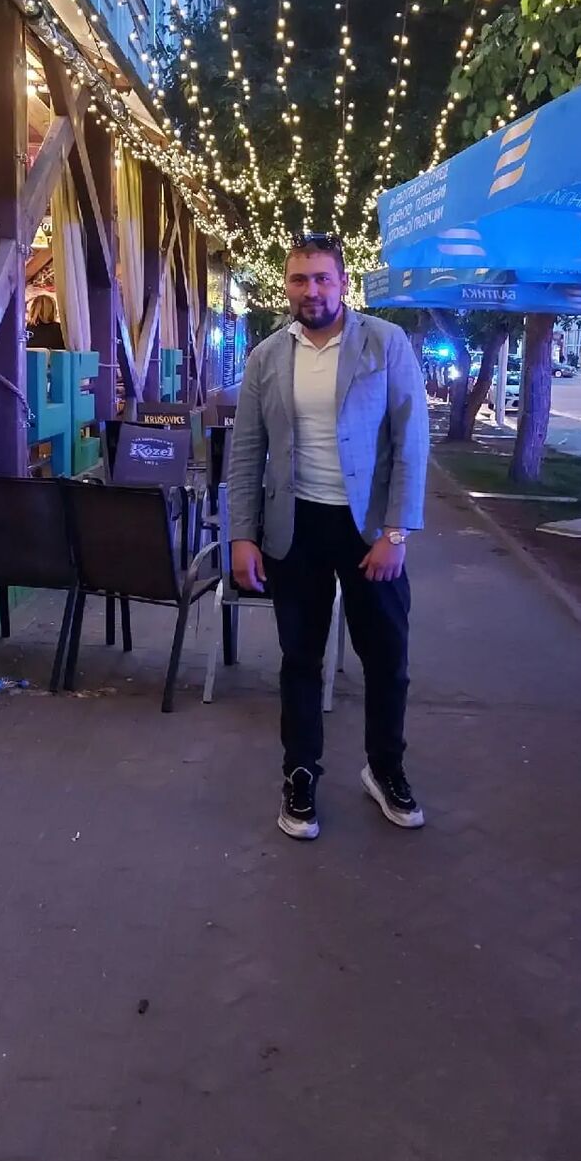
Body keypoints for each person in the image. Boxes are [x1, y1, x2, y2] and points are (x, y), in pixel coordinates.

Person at [229, 232, 429, 842]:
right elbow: (246, 452)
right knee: (299, 659)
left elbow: (411, 441)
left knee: (386, 658)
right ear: (286, 285)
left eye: (322, 278)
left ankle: (385, 767)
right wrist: (241, 536)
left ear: (343, 283)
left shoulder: (385, 343)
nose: (311, 290)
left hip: (368, 529)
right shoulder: (267, 356)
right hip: (295, 528)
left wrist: (396, 531)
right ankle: (299, 774)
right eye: (299, 279)